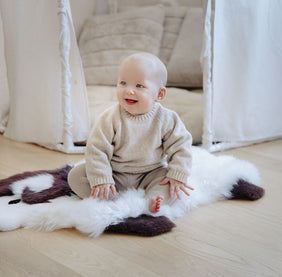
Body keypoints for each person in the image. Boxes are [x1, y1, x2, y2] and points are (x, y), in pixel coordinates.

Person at [68, 52, 193, 213]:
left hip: (151, 173)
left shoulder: (167, 119)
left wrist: (177, 174)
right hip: (115, 174)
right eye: (123, 83)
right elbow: (96, 150)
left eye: (139, 86)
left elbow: (181, 146)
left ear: (159, 94)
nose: (129, 91)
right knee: (76, 176)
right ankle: (112, 200)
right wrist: (102, 178)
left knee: (172, 185)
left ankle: (152, 201)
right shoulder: (109, 118)